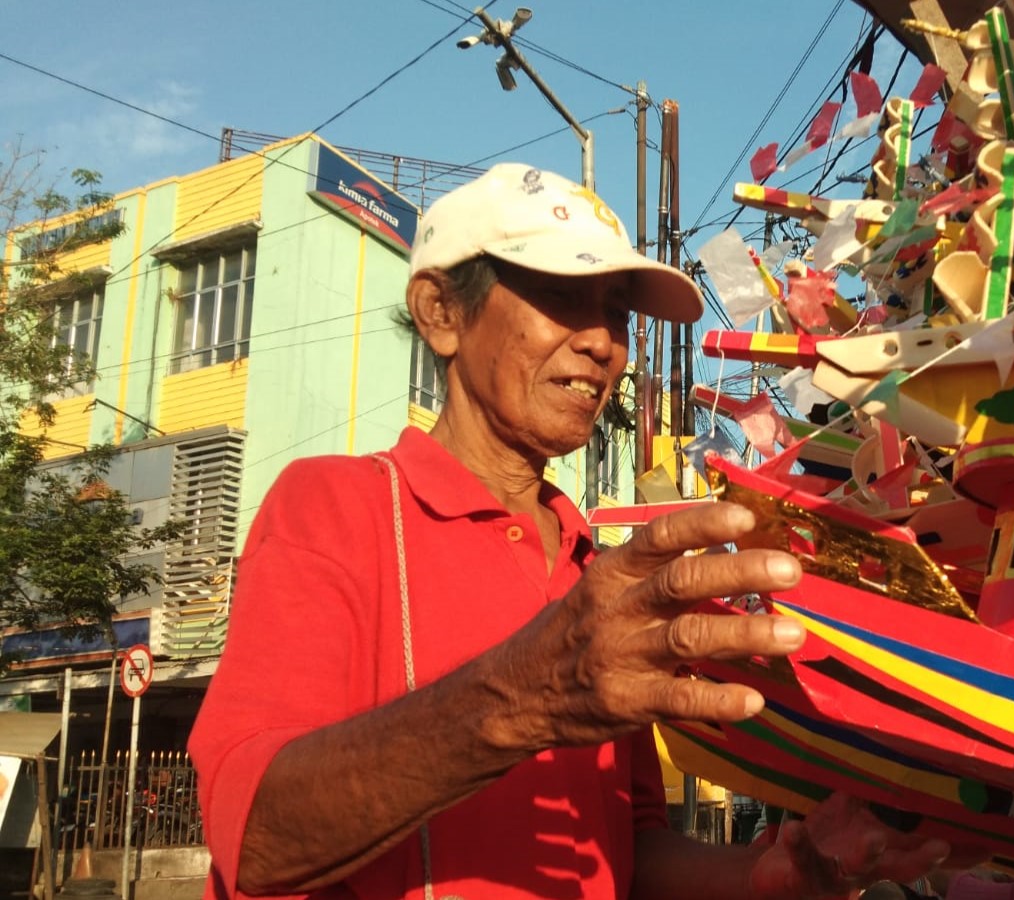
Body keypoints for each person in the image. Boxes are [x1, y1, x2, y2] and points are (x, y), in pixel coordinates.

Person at [188, 163, 952, 899]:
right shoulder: (335, 507)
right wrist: (525, 699)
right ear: (442, 313)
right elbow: (256, 838)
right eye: (561, 296)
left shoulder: (598, 573)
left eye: (617, 311)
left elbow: (628, 848)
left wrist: (778, 876)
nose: (603, 344)